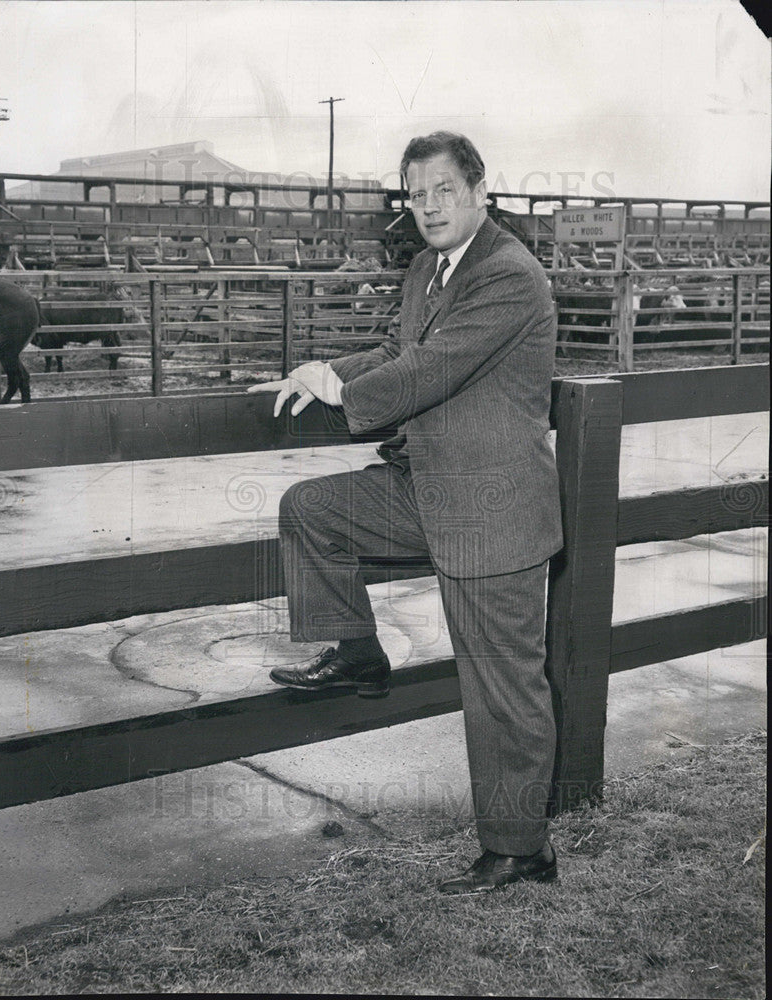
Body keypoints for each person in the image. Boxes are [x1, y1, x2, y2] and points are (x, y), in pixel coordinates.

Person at [247, 132, 563, 894]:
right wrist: (323, 370)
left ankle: (520, 850)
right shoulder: (428, 267)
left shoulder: (509, 275)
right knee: (314, 509)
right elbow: (396, 348)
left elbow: (430, 368)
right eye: (414, 194)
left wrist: (342, 394)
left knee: (503, 692)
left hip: (492, 511)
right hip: (427, 490)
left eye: (443, 191)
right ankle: (355, 652)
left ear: (481, 192)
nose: (427, 208)